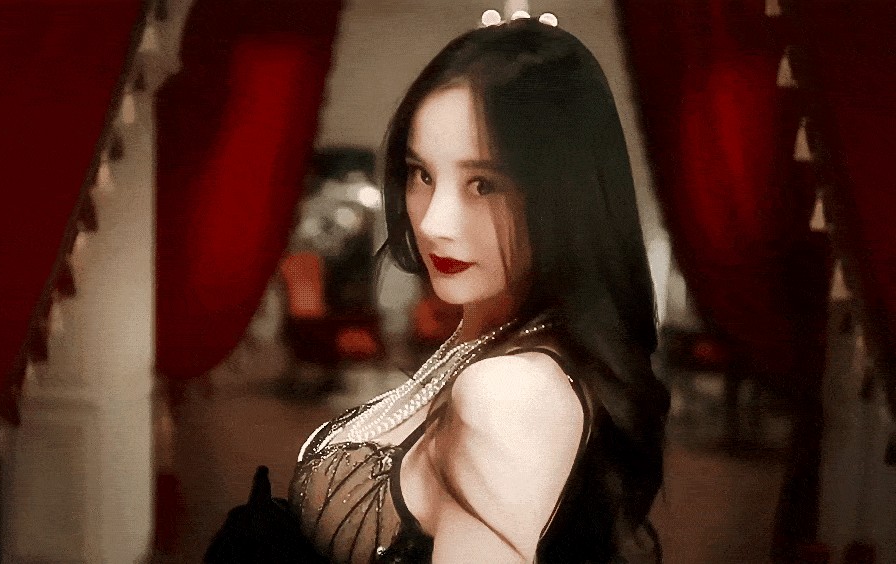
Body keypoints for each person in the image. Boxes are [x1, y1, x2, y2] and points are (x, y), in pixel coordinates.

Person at [208, 15, 669, 564]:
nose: (433, 223)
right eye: (421, 174)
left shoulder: (509, 393)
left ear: (565, 197)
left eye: (483, 184)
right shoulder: (482, 340)